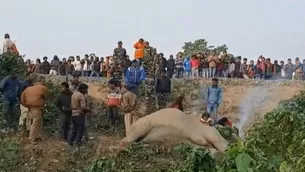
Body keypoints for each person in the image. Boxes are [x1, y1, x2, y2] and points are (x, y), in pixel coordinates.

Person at [21, 76, 49, 145]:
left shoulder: (28, 88)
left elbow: (22, 97)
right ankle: (32, 138)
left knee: (39, 121)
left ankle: (38, 135)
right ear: (41, 81)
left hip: (29, 107)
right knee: (35, 123)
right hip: (37, 107)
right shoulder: (43, 88)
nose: (44, 82)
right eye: (44, 81)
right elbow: (47, 96)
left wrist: (26, 105)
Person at [69, 83, 91, 148]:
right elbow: (83, 107)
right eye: (85, 89)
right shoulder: (81, 95)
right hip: (79, 114)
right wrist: (89, 110)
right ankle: (77, 143)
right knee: (80, 130)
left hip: (73, 114)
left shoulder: (74, 94)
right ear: (82, 89)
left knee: (74, 129)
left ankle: (70, 142)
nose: (86, 91)